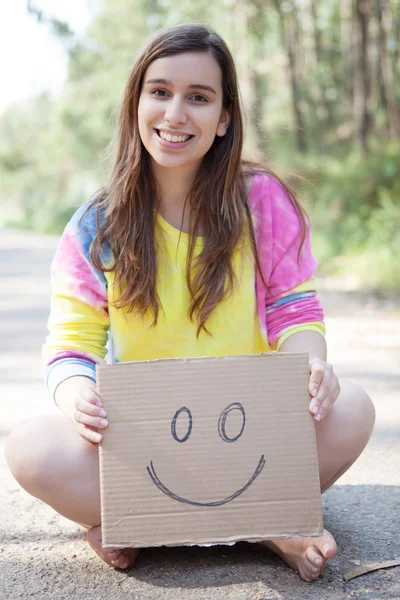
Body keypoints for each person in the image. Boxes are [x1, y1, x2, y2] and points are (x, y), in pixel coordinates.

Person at [5, 23, 375, 582]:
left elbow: (293, 310)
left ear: (224, 117)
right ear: (136, 103)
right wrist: (76, 394)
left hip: (249, 430)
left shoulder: (261, 200)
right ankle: (260, 521)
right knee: (31, 449)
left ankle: (165, 524)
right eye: (160, 91)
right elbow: (72, 345)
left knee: (354, 410)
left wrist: (313, 363)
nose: (176, 113)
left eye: (199, 98)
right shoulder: (96, 225)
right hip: (151, 439)